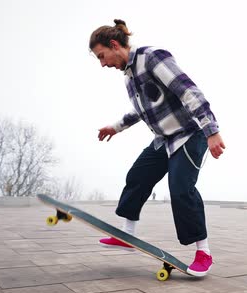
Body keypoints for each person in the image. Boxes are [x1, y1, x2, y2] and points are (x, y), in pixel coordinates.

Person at [90, 19, 226, 277]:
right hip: (164, 140)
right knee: (137, 177)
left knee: (181, 190)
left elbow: (188, 91)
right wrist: (115, 127)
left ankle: (203, 252)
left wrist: (212, 131)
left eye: (102, 56)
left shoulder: (152, 58)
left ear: (115, 45)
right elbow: (142, 110)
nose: (103, 64)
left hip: (189, 135)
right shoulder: (129, 77)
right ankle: (127, 235)